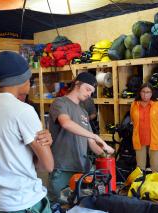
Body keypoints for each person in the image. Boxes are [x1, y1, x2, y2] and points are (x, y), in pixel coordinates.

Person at [0, 51, 54, 212]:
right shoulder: (23, 111)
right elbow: (47, 165)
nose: (30, 83)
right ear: (22, 80)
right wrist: (43, 150)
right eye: (30, 79)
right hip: (24, 201)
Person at [48, 72, 114, 203]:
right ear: (77, 84)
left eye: (92, 92)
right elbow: (66, 123)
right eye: (88, 89)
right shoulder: (60, 102)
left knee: (80, 205)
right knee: (58, 205)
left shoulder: (83, 112)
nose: (90, 94)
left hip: (81, 168)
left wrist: (105, 154)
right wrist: (95, 136)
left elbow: (90, 142)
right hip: (62, 167)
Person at [130, 83, 158, 173]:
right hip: (139, 139)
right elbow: (133, 119)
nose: (145, 95)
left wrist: (154, 129)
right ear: (140, 92)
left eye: (148, 92)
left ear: (152, 93)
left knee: (156, 166)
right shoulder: (134, 104)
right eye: (143, 92)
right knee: (139, 167)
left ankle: (157, 186)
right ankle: (140, 186)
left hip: (154, 139)